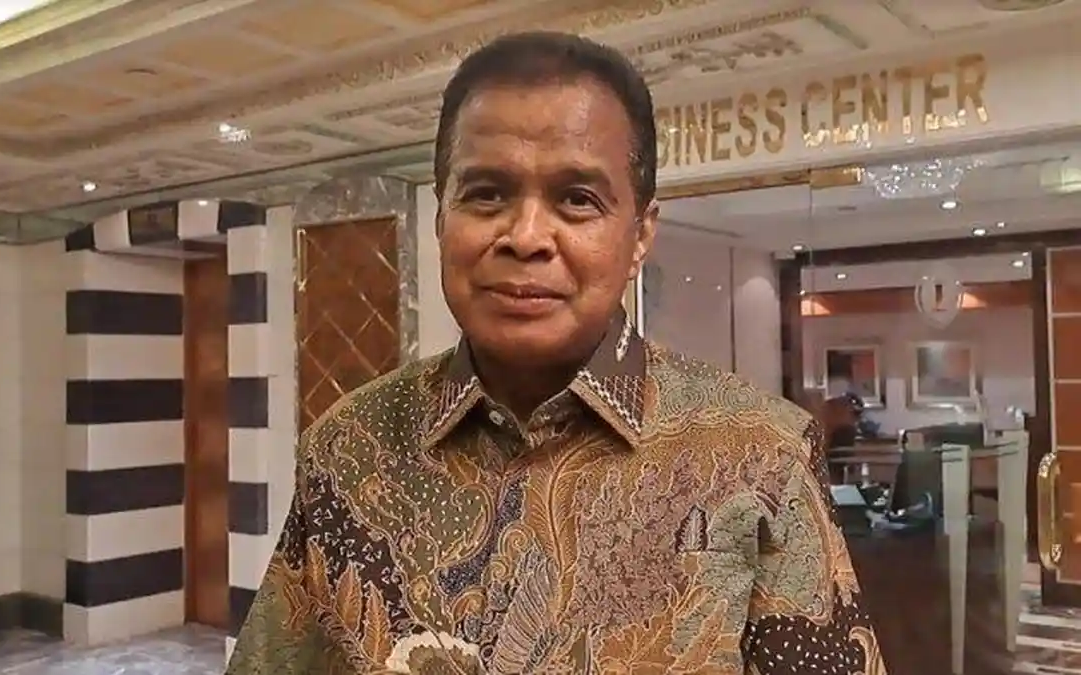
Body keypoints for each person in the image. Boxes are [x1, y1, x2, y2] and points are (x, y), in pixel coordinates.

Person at [226, 31, 886, 675]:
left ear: (639, 235)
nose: (526, 236)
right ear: (442, 218)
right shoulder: (346, 448)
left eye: (577, 199)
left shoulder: (760, 456)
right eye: (487, 193)